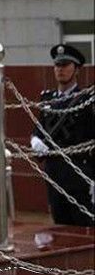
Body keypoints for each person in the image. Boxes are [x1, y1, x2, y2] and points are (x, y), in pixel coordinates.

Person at [30, 44, 94, 227]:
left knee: (84, 229)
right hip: (54, 174)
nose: (60, 69)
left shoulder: (87, 99)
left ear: (77, 69)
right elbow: (39, 128)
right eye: (57, 65)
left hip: (79, 175)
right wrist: (35, 140)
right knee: (60, 228)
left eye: (65, 65)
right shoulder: (47, 98)